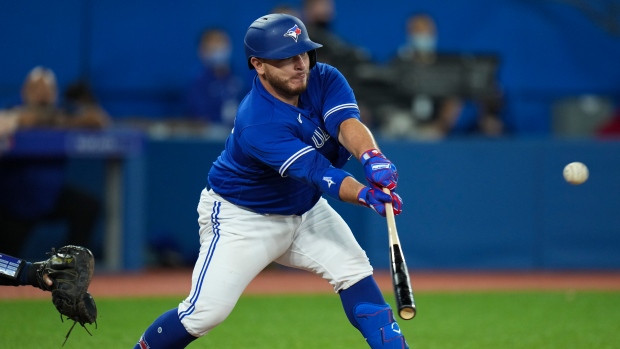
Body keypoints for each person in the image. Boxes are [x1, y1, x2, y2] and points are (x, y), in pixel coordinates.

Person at [133, 13, 409, 349]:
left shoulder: (324, 78)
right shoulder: (257, 121)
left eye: (302, 53)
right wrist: (366, 194)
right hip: (243, 218)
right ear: (259, 65)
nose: (298, 65)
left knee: (356, 276)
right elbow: (320, 172)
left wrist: (372, 157)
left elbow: (345, 123)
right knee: (203, 314)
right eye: (284, 59)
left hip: (304, 208)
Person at [0, 66, 108, 257]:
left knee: (88, 206)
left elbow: (98, 120)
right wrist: (46, 119)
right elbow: (25, 118)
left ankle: (68, 264)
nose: (42, 96)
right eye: (36, 90)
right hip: (16, 203)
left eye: (47, 91)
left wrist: (60, 120)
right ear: (25, 92)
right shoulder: (11, 108)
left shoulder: (63, 112)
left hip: (51, 197)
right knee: (8, 269)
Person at [381, 13, 504, 140]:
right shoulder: (397, 64)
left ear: (434, 33)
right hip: (402, 126)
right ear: (409, 33)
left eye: (426, 30)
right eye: (417, 31)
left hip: (436, 130)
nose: (422, 35)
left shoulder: (447, 66)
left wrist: (440, 126)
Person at [184, 28, 246, 136]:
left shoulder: (242, 76)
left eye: (221, 42)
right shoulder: (198, 82)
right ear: (202, 51)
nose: (218, 48)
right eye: (213, 45)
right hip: (212, 138)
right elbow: (198, 116)